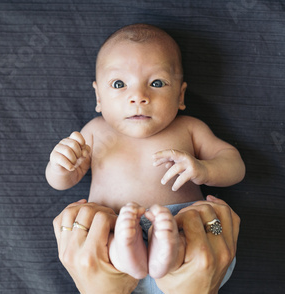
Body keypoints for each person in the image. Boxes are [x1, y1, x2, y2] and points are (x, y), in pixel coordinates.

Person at [46, 24, 245, 286]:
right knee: (111, 241)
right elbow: (60, 182)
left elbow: (234, 165)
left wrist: (204, 169)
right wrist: (62, 167)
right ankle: (128, 255)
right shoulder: (94, 132)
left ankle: (167, 256)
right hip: (112, 230)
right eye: (119, 84)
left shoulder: (189, 128)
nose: (139, 96)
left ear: (180, 95)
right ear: (98, 96)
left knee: (182, 240)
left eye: (156, 83)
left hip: (183, 231)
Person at [53, 195, 240, 294]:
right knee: (184, 246)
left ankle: (125, 256)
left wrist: (62, 165)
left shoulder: (94, 132)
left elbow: (58, 179)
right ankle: (168, 256)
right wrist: (205, 169)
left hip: (108, 267)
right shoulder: (192, 127)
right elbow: (232, 163)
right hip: (198, 261)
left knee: (109, 249)